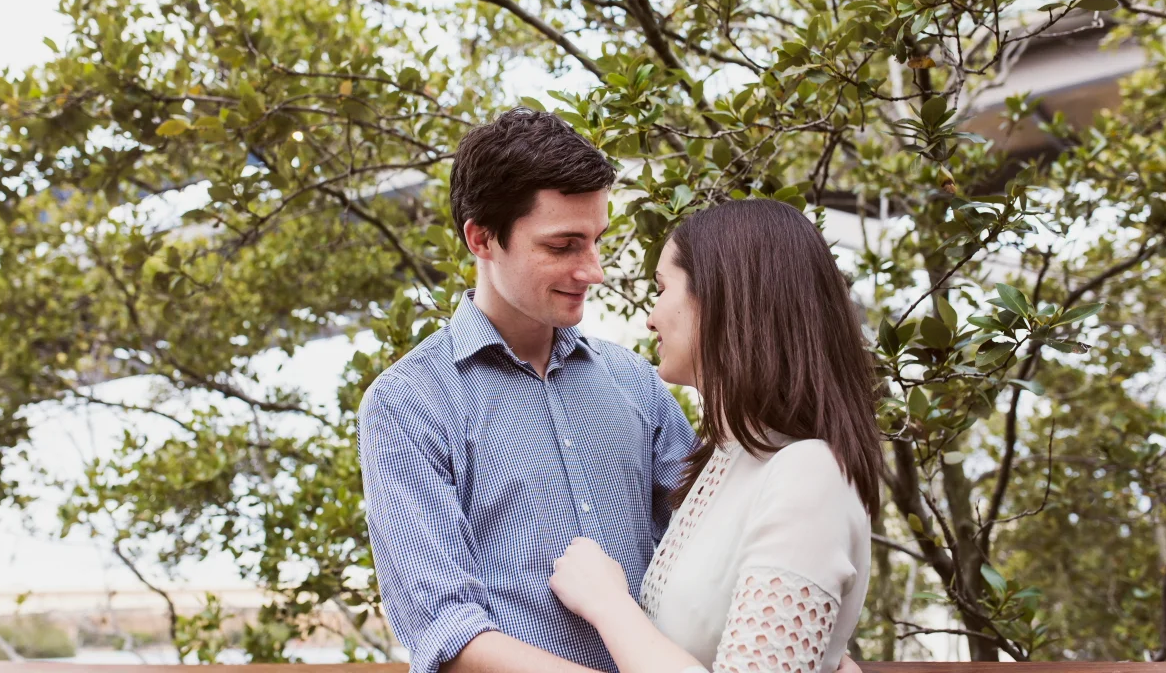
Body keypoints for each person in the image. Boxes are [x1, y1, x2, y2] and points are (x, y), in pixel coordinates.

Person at [357, 107, 697, 673]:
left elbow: (713, 546)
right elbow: (446, 633)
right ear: (482, 238)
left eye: (596, 241)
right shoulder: (408, 403)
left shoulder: (635, 382)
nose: (593, 271)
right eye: (563, 246)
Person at [549, 198, 884, 673]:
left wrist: (608, 605)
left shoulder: (810, 473)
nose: (650, 317)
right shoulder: (726, 459)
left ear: (721, 297)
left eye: (662, 289)